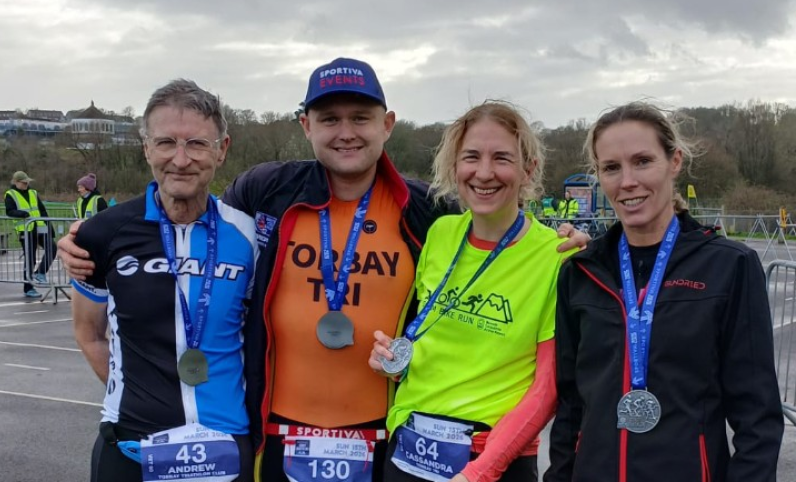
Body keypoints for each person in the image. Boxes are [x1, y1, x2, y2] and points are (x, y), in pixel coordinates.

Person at [58, 58, 588, 482]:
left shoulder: (426, 209)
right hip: (278, 432)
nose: (346, 133)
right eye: (329, 119)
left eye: (360, 118)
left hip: (383, 438)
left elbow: (493, 227)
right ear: (305, 124)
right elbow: (193, 211)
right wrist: (95, 241)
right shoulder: (265, 190)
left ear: (387, 124)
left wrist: (565, 241)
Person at [544, 102, 784, 482]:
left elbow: (757, 416)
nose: (627, 182)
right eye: (611, 168)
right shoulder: (582, 271)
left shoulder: (729, 266)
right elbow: (571, 405)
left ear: (674, 161)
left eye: (642, 161)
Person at [369, 101, 570, 482]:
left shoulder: (556, 256)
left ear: (529, 169)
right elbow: (434, 339)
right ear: (454, 166)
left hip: (491, 461)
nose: (484, 173)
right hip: (408, 453)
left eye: (502, 158)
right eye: (471, 157)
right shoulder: (441, 234)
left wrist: (480, 471)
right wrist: (395, 361)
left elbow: (547, 386)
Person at [70, 79, 257, 482]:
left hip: (224, 444)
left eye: (197, 144)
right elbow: (89, 334)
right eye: (167, 142)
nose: (181, 159)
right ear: (147, 148)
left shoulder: (248, 235)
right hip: (133, 445)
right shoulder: (102, 233)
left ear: (222, 150)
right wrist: (140, 397)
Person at [4, 170, 57, 298]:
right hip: (25, 230)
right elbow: (9, 211)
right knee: (30, 258)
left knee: (52, 248)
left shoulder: (33, 192)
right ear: (16, 182)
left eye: (27, 182)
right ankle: (28, 287)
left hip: (39, 227)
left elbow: (42, 210)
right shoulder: (10, 194)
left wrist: (50, 228)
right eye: (23, 182)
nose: (26, 184)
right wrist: (23, 214)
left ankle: (40, 273)